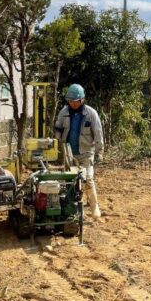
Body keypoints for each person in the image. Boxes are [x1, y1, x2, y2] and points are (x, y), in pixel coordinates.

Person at [54, 84, 104, 218]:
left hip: (86, 152)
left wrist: (99, 152)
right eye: (70, 101)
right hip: (69, 152)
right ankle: (71, 208)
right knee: (69, 181)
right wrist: (57, 143)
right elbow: (58, 128)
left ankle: (94, 207)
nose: (72, 104)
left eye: (75, 101)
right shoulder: (64, 112)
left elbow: (98, 133)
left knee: (87, 179)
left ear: (81, 100)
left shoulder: (91, 113)